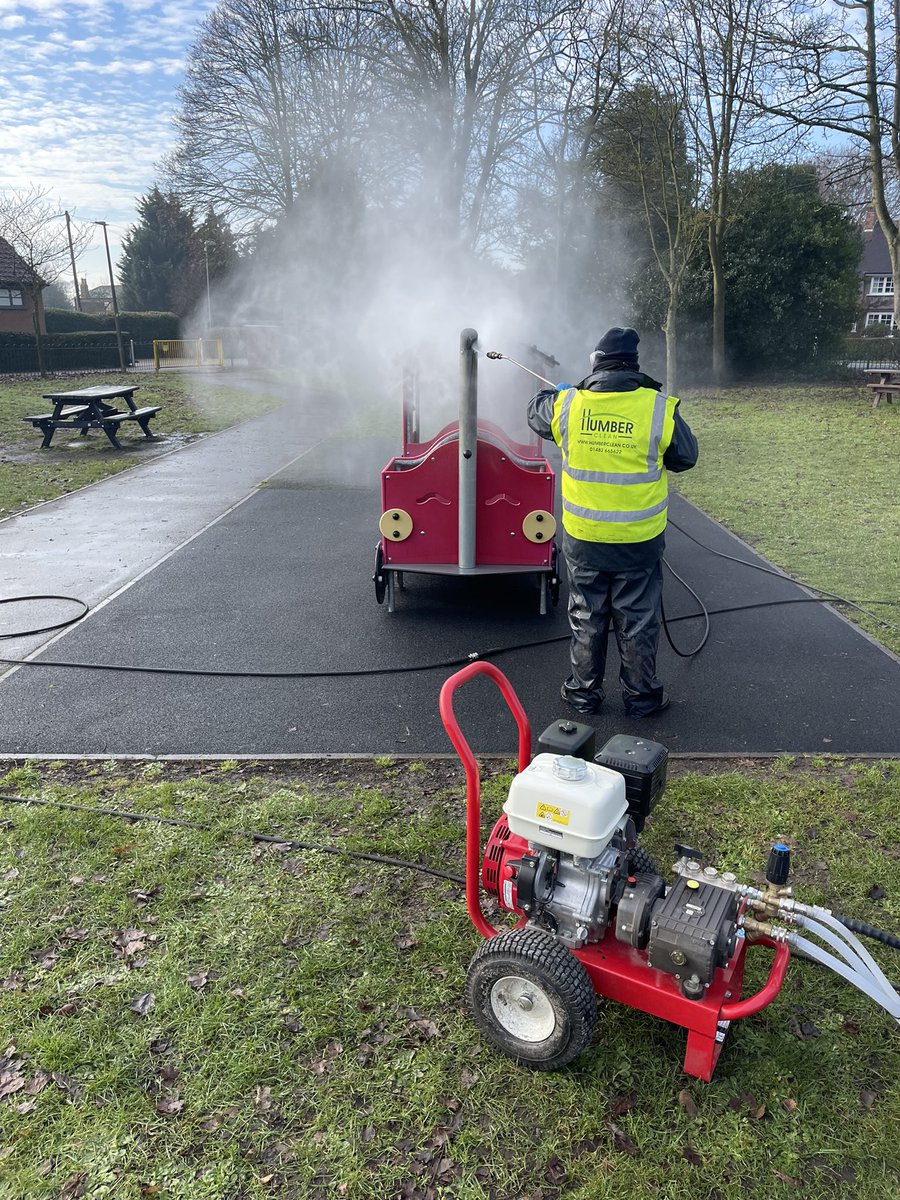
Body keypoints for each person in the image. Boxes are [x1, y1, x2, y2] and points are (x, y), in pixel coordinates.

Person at [527, 327, 698, 718]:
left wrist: (552, 393)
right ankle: (641, 698)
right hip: (638, 541)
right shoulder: (656, 407)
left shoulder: (568, 405)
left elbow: (534, 415)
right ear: (633, 365)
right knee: (637, 620)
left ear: (596, 363)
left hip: (585, 538)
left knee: (586, 616)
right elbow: (685, 457)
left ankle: (583, 695)